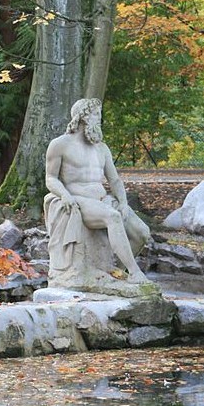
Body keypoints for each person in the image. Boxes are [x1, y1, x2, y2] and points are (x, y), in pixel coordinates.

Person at [44, 98, 150, 282]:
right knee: (113, 217)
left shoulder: (102, 148)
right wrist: (65, 195)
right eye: (96, 115)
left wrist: (124, 202)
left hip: (103, 200)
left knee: (142, 232)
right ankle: (135, 273)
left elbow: (115, 180)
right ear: (83, 117)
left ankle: (116, 271)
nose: (99, 119)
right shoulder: (60, 144)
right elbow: (50, 178)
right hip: (79, 201)